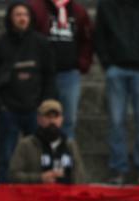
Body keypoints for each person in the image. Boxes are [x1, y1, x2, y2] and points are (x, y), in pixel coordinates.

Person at [94, 0, 139, 186]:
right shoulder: (106, 5)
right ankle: (118, 169)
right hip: (116, 69)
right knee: (116, 122)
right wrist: (107, 64)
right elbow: (99, 35)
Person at [0, 1, 57, 183]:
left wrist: (44, 104)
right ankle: (4, 193)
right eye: (17, 14)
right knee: (6, 156)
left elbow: (50, 75)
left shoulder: (41, 43)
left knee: (37, 156)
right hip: (8, 110)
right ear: (10, 17)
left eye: (25, 15)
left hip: (35, 109)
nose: (22, 18)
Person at [28, 0, 93, 139]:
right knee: (40, 118)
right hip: (42, 75)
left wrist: (82, 62)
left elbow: (86, 39)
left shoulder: (79, 11)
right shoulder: (36, 8)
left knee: (68, 119)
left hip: (69, 73)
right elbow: (28, 38)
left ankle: (65, 157)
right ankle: (41, 155)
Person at [8, 99, 87, 183]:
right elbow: (13, 175)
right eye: (48, 116)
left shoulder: (70, 145)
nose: (52, 121)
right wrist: (40, 178)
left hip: (64, 194)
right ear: (39, 119)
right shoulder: (26, 145)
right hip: (35, 194)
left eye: (56, 117)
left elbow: (80, 176)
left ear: (61, 119)